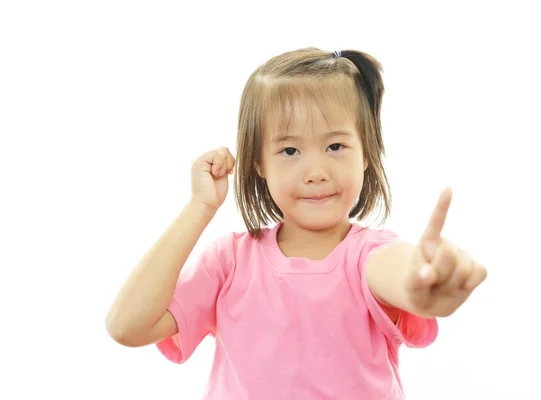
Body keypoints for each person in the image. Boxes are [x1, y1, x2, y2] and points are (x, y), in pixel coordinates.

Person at [105, 47, 487, 399]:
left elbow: (396, 270)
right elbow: (127, 325)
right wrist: (199, 207)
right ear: (259, 163)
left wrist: (424, 277)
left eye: (335, 146)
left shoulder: (366, 254)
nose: (316, 171)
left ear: (366, 153)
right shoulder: (229, 261)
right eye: (290, 150)